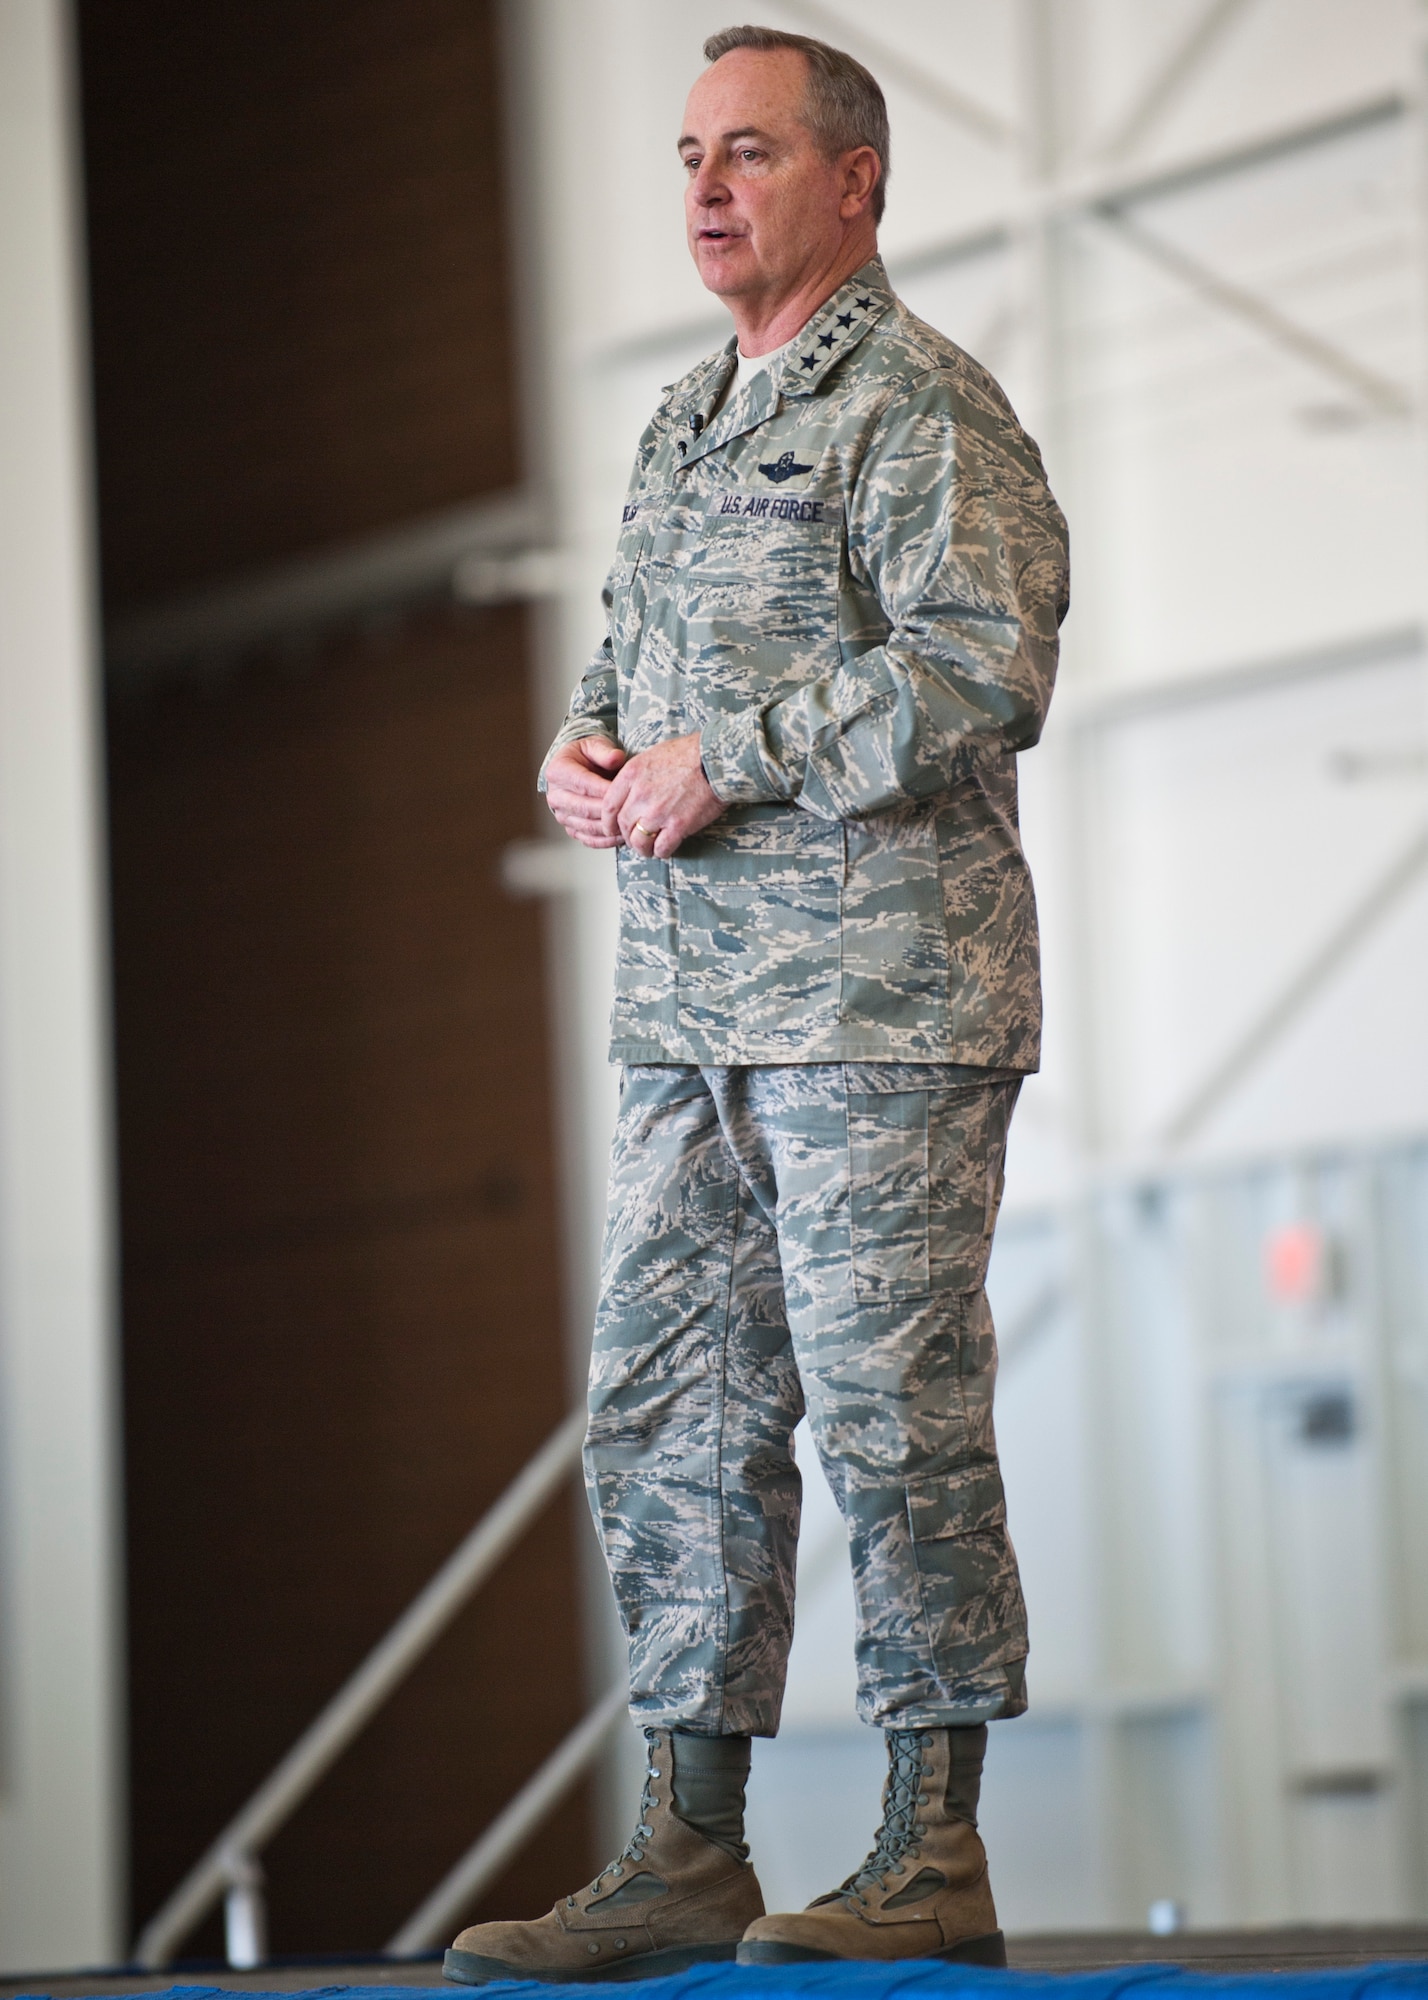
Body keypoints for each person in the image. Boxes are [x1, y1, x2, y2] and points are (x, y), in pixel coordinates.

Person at [444, 21, 1068, 1985]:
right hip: (690, 1007)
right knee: (673, 1410)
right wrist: (589, 745)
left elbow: (987, 658)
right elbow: (633, 664)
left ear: (858, 181)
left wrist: (742, 750)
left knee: (892, 1409)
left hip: (882, 998)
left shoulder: (922, 409)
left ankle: (930, 1847)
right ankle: (687, 1845)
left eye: (754, 152)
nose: (709, 187)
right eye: (691, 155)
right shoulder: (680, 420)